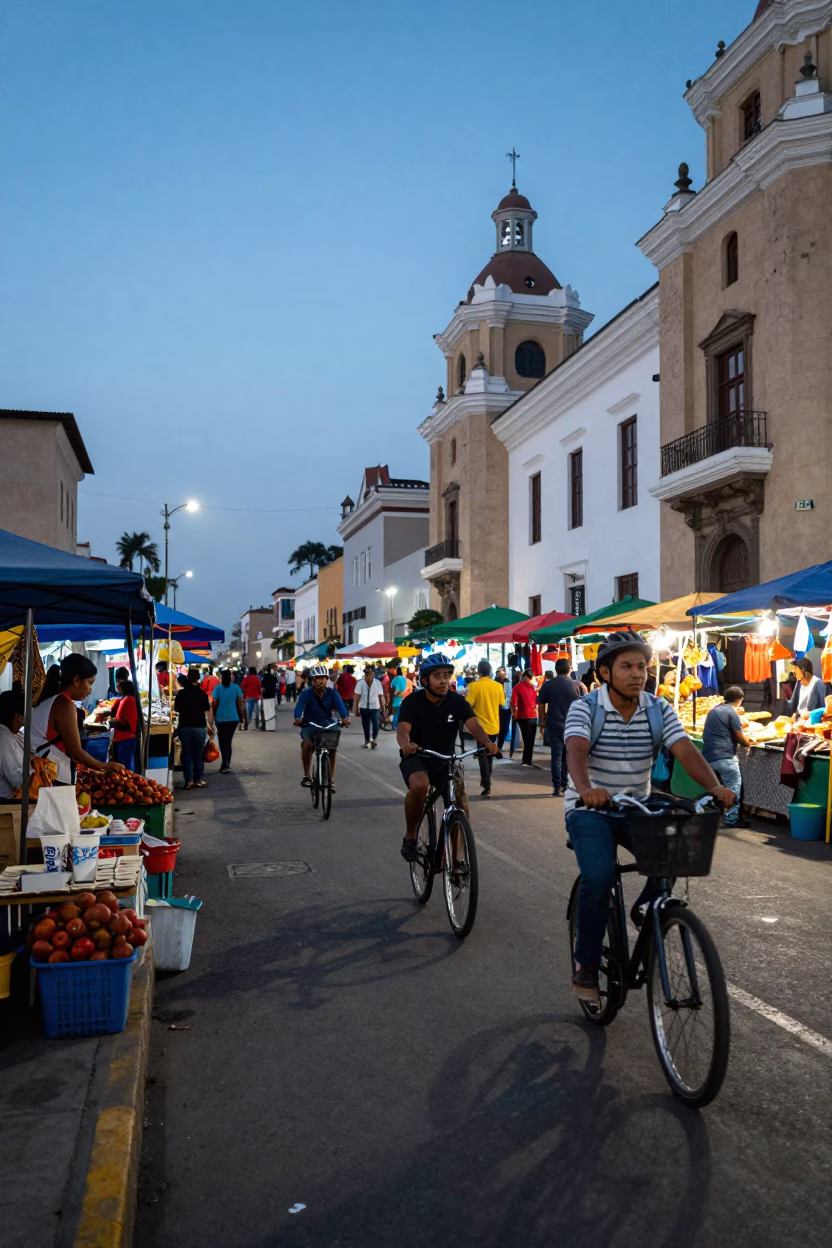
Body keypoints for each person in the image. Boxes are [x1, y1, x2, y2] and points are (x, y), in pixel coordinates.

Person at [564, 629, 735, 1006]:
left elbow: (685, 750)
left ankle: (647, 906)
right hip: (590, 808)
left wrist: (714, 786)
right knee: (599, 875)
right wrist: (586, 787)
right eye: (626, 666)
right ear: (605, 672)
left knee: (678, 842)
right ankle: (587, 965)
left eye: (641, 666)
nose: (637, 673)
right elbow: (575, 751)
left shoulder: (658, 708)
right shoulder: (586, 708)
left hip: (636, 807)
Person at [396, 653, 498, 861]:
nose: (444, 680)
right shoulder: (412, 702)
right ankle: (411, 836)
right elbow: (403, 730)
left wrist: (487, 742)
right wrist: (406, 744)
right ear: (425, 680)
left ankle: (456, 859)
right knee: (420, 786)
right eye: (437, 676)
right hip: (418, 755)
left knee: (460, 804)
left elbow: (474, 725)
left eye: (447, 675)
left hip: (446, 759)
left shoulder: (457, 701)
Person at [30, 654, 125, 783]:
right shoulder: (64, 704)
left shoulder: (57, 701)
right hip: (48, 777)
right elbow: (76, 751)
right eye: (89, 683)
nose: (90, 690)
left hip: (45, 771)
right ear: (76, 681)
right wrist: (103, 765)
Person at [294, 665, 350, 789]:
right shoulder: (306, 693)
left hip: (328, 723)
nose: (320, 681)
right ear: (312, 680)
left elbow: (341, 707)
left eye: (323, 678)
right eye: (317, 678)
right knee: (306, 745)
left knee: (332, 748)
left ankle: (331, 779)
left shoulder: (333, 693)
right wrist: (298, 718)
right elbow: (300, 706)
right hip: (310, 723)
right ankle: (306, 775)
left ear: (326, 679)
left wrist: (345, 717)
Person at [702, 686, 750, 828]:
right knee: (733, 787)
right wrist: (748, 743)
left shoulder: (713, 711)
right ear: (739, 700)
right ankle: (732, 819)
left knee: (716, 788)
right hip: (725, 756)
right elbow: (740, 737)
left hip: (708, 756)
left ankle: (709, 815)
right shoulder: (731, 712)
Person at [538, 658, 583, 797]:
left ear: (556, 670)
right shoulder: (577, 685)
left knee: (556, 756)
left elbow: (540, 704)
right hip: (573, 726)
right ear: (570, 669)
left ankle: (557, 787)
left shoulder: (549, 685)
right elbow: (584, 705)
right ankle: (566, 785)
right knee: (568, 757)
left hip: (555, 725)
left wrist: (542, 720)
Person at [464, 659, 504, 797]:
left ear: (479, 672)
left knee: (482, 755)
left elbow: (468, 705)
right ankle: (487, 780)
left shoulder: (474, 686)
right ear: (490, 671)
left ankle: (486, 783)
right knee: (490, 753)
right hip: (494, 725)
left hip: (480, 727)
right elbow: (501, 704)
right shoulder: (498, 686)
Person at [175, 668, 213, 789]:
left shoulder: (181, 693)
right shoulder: (202, 693)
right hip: (199, 726)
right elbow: (206, 709)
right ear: (198, 678)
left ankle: (188, 781)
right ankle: (197, 779)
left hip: (185, 726)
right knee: (198, 754)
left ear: (188, 677)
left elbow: (176, 709)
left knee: (186, 754)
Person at [211, 670, 244, 773]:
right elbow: (240, 701)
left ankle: (224, 763)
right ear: (230, 677)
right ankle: (227, 764)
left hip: (220, 718)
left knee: (222, 741)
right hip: (233, 718)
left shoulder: (218, 688)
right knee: (228, 741)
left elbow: (214, 702)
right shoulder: (236, 687)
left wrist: (214, 714)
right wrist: (238, 710)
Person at [108, 677, 139, 771]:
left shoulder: (129, 700)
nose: (118, 688)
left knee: (124, 767)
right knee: (121, 766)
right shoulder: (124, 699)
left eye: (119, 687)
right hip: (121, 738)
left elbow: (129, 723)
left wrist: (113, 722)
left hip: (126, 738)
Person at [0, 688, 26, 799]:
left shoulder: (14, 733)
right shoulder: (5, 740)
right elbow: (18, 780)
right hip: (7, 802)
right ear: (18, 717)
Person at [511, 668, 539, 766]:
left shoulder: (517, 687)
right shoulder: (532, 687)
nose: (530, 679)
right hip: (531, 716)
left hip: (524, 717)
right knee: (530, 740)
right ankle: (527, 760)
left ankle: (527, 760)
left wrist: (514, 713)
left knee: (528, 739)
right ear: (525, 677)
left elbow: (513, 703)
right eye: (530, 677)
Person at [354, 665, 386, 748]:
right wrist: (356, 708)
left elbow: (381, 696)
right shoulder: (361, 683)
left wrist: (383, 707)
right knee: (371, 725)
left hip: (373, 708)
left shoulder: (376, 683)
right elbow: (357, 697)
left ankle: (370, 741)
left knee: (371, 725)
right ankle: (370, 740)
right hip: (367, 708)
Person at [494, 666, 512, 756]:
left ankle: (499, 747)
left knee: (504, 729)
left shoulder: (508, 682)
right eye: (500, 673)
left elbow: (510, 694)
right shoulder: (494, 683)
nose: (502, 674)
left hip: (506, 709)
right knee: (496, 728)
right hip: (496, 708)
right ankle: (494, 748)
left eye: (503, 673)